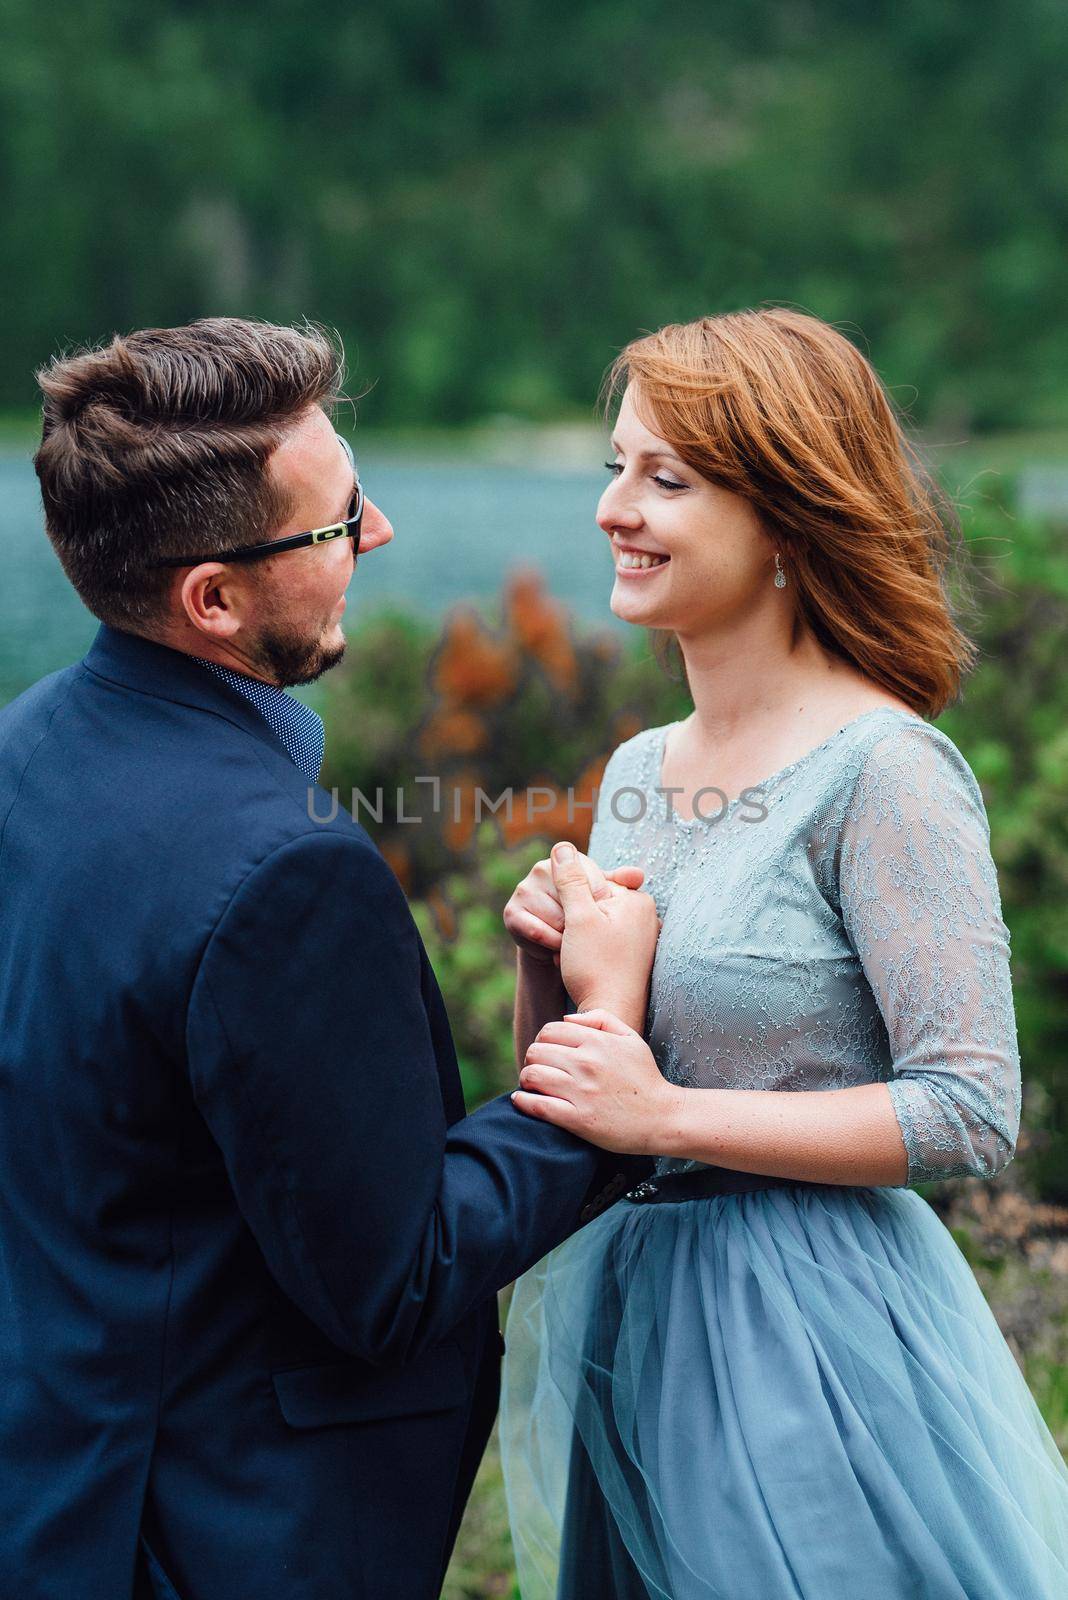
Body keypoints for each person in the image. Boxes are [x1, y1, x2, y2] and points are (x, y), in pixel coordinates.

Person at [0, 316, 658, 1600]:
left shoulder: (25, 753)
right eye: (340, 518)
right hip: (214, 1537)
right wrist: (605, 1049)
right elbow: (394, 1280)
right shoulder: (282, 876)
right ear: (215, 598)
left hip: (53, 1487)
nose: (381, 534)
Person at [499, 309, 1068, 1598]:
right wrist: (555, 963)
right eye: (614, 469)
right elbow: (598, 1089)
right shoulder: (641, 769)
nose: (614, 511)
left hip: (810, 1337)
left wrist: (666, 1110)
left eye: (667, 480)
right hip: (635, 1314)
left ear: (786, 525)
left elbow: (972, 1108)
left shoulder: (887, 770)